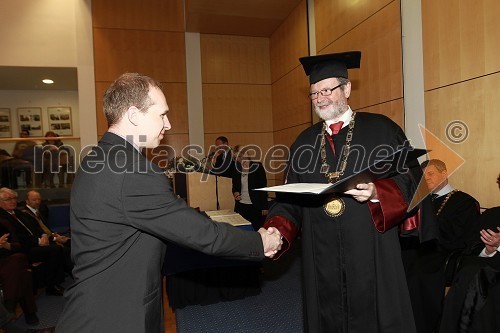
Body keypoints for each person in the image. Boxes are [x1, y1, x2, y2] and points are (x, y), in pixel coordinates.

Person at [55, 73, 282, 333]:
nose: (169, 124)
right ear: (134, 115)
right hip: (115, 315)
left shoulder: (98, 158)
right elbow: (201, 235)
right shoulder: (132, 170)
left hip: (98, 305)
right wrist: (260, 241)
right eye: (162, 114)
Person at [263, 51, 420, 332]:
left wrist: (377, 191)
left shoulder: (383, 130)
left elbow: (412, 181)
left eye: (327, 90)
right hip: (320, 252)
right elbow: (288, 200)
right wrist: (276, 229)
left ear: (346, 88)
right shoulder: (303, 142)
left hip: (372, 248)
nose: (320, 98)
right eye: (314, 93)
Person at [404, 159, 480, 333]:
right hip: (416, 249)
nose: (427, 179)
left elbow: (459, 236)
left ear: (444, 173)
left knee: (417, 271)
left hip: (443, 253)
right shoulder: (419, 201)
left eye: (430, 174)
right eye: (423, 177)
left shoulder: (464, 201)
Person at [438, 173, 500, 333]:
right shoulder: (491, 215)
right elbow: (471, 246)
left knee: (477, 278)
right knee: (469, 272)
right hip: (486, 268)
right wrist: (489, 249)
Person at [0, 188, 66, 297]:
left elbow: (36, 226)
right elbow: (15, 239)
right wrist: (38, 241)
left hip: (34, 243)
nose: (12, 201)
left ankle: (56, 282)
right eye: (8, 199)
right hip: (22, 248)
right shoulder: (2, 218)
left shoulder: (19, 212)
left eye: (14, 198)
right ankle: (51, 286)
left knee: (57, 246)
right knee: (55, 249)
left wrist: (44, 235)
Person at [20, 190, 72, 276]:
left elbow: (45, 228)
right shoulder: (25, 215)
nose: (37, 202)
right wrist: (54, 238)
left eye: (39, 199)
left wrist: (53, 234)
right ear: (27, 201)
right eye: (34, 200)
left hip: (48, 237)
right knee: (64, 249)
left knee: (69, 243)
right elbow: (37, 232)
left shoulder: (38, 211)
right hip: (38, 242)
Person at [0, 220, 39, 325]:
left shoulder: (4, 223)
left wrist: (6, 245)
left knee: (18, 259)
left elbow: (18, 245)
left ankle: (10, 305)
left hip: (7, 260)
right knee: (22, 271)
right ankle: (29, 312)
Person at [232, 146, 269, 230]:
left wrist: (265, 206)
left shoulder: (257, 166)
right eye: (236, 158)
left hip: (255, 205)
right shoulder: (236, 168)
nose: (239, 160)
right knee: (242, 230)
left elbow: (263, 187)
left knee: (256, 229)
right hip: (241, 205)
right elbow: (234, 186)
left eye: (240, 157)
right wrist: (235, 192)